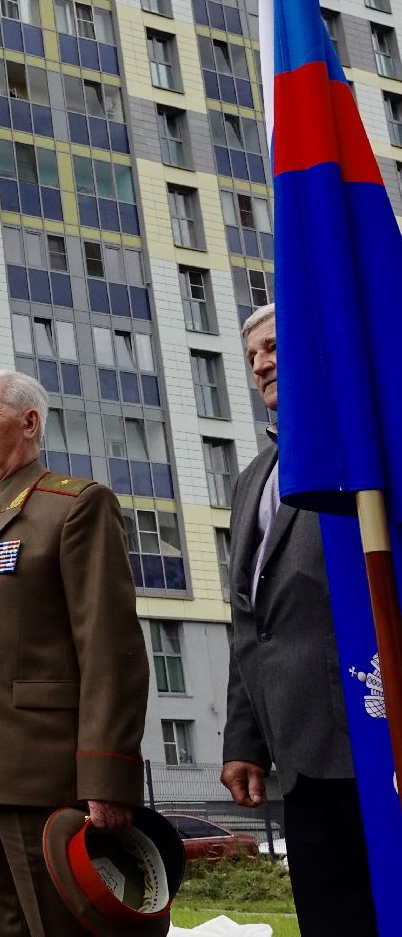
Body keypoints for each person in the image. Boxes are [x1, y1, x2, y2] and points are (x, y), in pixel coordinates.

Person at [0, 370, 149, 937]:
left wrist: (107, 774)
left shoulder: (73, 507)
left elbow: (109, 647)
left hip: (41, 772)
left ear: (29, 423)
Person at [220, 303, 378, 937]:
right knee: (331, 917)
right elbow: (248, 621)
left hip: (374, 735)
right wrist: (244, 743)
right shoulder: (251, 478)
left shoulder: (367, 442)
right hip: (300, 753)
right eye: (253, 354)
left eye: (274, 347)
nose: (261, 363)